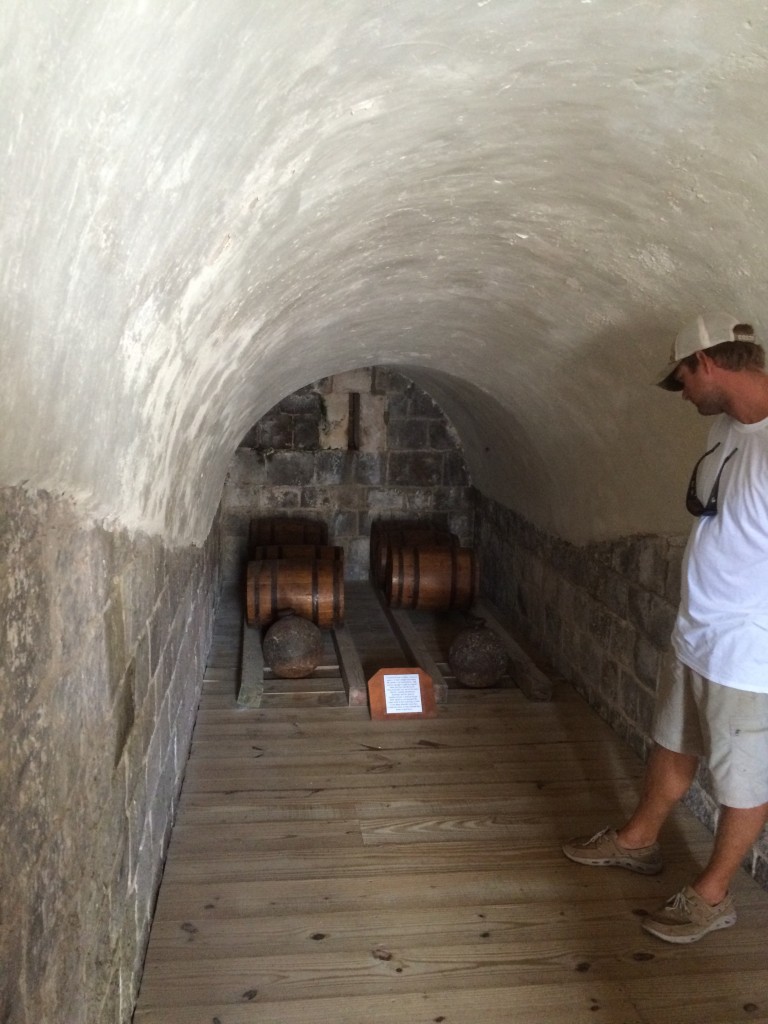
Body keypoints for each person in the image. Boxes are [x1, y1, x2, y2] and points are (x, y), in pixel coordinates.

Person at [563, 311, 768, 944]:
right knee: (672, 743)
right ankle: (638, 841)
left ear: (706, 363)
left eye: (681, 379)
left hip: (748, 648)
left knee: (742, 779)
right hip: (698, 631)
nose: (683, 395)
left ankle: (714, 895)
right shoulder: (731, 427)